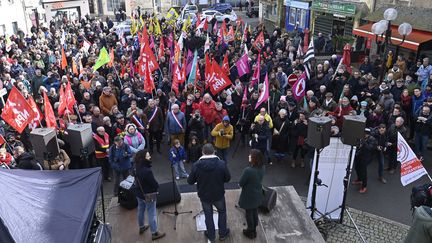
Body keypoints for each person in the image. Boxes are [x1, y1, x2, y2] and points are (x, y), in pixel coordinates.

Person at [187, 144, 231, 242]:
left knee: (208, 215)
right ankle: (222, 234)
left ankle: (211, 236)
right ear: (214, 152)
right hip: (218, 194)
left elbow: (190, 181)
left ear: (202, 152)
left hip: (204, 195)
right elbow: (228, 179)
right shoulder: (221, 164)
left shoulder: (196, 165)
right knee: (222, 212)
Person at [133, 150, 165, 240]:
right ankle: (154, 233)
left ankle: (142, 227)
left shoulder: (136, 167)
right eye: (147, 156)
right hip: (148, 195)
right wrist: (157, 186)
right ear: (143, 159)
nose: (150, 157)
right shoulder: (147, 171)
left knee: (140, 210)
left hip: (139, 193)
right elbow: (153, 184)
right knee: (152, 213)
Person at [238, 149, 265, 239]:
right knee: (255, 211)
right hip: (257, 193)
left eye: (250, 155)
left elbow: (241, 183)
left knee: (249, 212)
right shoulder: (263, 167)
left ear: (254, 158)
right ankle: (254, 229)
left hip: (248, 195)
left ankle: (250, 231)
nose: (249, 156)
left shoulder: (248, 170)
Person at [352, 128, 378, 193]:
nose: (364, 135)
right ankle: (359, 179)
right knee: (357, 168)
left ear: (368, 134)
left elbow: (370, 148)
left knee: (363, 171)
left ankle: (364, 186)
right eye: (364, 133)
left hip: (366, 157)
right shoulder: (361, 137)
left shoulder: (372, 139)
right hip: (359, 155)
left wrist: (364, 143)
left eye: (366, 134)